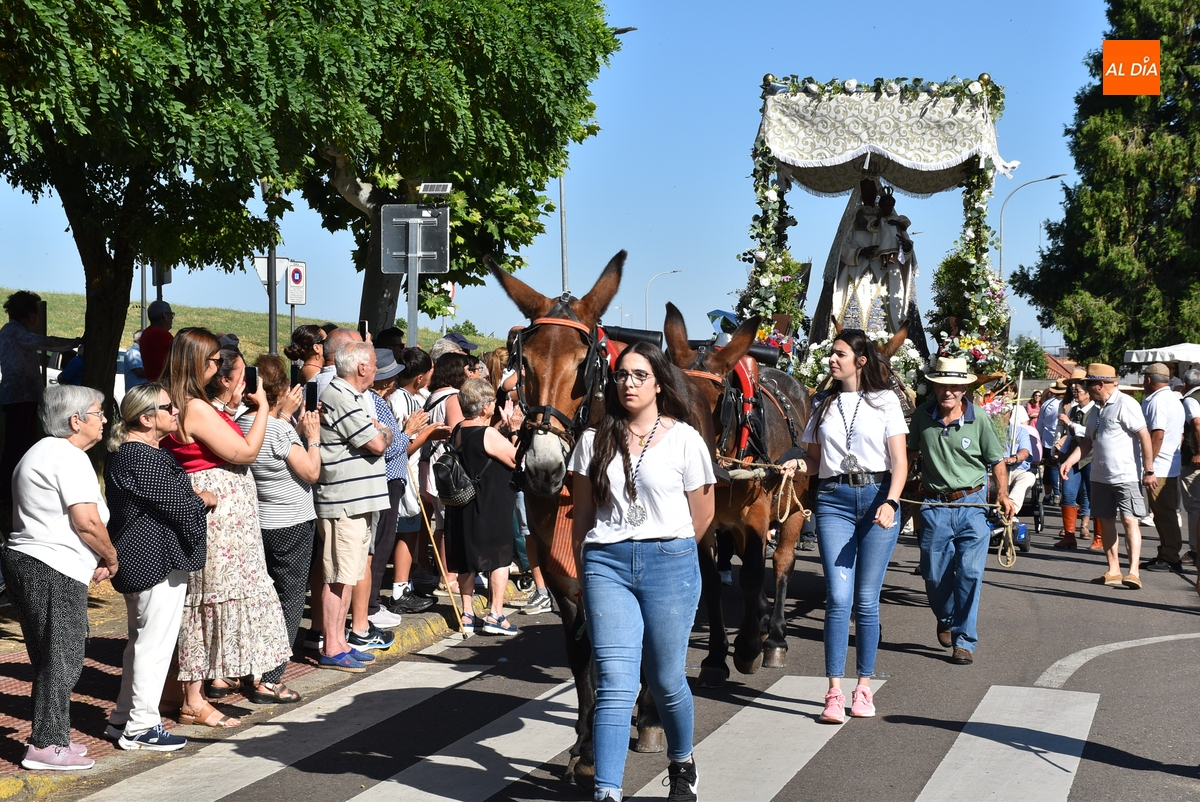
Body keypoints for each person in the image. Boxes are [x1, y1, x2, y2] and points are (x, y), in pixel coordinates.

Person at [568, 342, 715, 802]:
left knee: (667, 679)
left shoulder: (685, 439)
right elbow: (583, 516)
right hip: (606, 565)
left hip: (669, 562)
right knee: (615, 685)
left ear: (659, 384)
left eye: (639, 375)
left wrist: (667, 549)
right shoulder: (592, 441)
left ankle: (682, 763)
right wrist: (587, 571)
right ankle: (607, 792)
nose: (628, 383)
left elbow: (703, 513)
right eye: (621, 375)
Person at [159, 332, 292, 725]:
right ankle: (193, 699)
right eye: (215, 361)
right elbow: (245, 451)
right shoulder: (194, 406)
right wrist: (264, 408)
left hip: (223, 515)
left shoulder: (185, 401)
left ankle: (177, 693)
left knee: (202, 600)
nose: (219, 368)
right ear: (198, 362)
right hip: (218, 521)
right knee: (206, 599)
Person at [782, 329, 907, 725]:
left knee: (866, 600)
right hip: (833, 500)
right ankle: (834, 692)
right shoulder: (822, 405)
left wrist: (891, 501)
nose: (832, 360)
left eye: (840, 354)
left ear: (860, 360)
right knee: (838, 597)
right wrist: (797, 464)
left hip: (877, 498)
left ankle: (863, 687)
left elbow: (900, 462)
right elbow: (814, 462)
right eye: (832, 354)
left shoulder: (885, 401)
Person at [3, 384, 118, 771]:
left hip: (31, 562)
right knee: (63, 658)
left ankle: (54, 737)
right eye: (99, 412)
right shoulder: (68, 457)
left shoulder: (42, 452)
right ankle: (47, 745)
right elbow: (86, 522)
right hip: (51, 567)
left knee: (49, 657)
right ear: (76, 421)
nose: (105, 419)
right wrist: (110, 555)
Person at [103, 383, 213, 751]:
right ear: (147, 418)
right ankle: (142, 725)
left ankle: (123, 718)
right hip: (154, 559)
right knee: (154, 645)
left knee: (141, 642)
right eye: (168, 407)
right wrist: (204, 499)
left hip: (145, 556)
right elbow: (179, 505)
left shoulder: (135, 454)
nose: (176, 411)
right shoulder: (141, 456)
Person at [908, 356, 1016, 666]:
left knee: (970, 572)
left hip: (972, 504)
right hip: (934, 506)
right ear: (934, 387)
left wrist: (1003, 495)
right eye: (942, 385)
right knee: (933, 573)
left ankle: (964, 640)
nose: (948, 392)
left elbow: (996, 461)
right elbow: (909, 453)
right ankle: (946, 617)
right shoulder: (921, 416)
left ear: (964, 389)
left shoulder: (978, 418)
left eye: (955, 387)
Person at [235, 355, 322, 702]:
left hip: (258, 522)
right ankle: (271, 679)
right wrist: (313, 438)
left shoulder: (241, 423)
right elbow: (310, 472)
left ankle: (241, 671)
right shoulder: (279, 430)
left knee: (257, 598)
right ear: (282, 390)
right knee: (289, 599)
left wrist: (286, 419)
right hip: (292, 522)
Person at [314, 342, 393, 672]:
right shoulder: (341, 396)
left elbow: (378, 438)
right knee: (338, 576)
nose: (376, 369)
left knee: (347, 575)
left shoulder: (353, 396)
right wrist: (383, 431)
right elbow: (376, 442)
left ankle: (341, 642)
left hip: (356, 501)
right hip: (343, 503)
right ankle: (332, 646)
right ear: (361, 367)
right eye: (374, 363)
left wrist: (381, 432)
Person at [1058, 363, 1157, 589]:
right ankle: (1113, 570)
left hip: (1126, 475)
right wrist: (1070, 461)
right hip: (1100, 476)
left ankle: (1133, 572)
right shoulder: (1096, 409)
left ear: (1100, 384)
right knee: (1106, 521)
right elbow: (1088, 442)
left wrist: (1149, 470)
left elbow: (1144, 435)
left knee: (1130, 521)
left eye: (1088, 384)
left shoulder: (1126, 404)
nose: (1085, 388)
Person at [360, 348, 437, 632]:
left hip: (393, 479)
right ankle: (370, 606)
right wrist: (411, 431)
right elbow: (391, 448)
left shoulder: (379, 400)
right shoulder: (380, 402)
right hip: (388, 478)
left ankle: (371, 604)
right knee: (379, 546)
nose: (394, 380)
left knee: (381, 544)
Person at [445, 378, 524, 636]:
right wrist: (515, 430)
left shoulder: (459, 429)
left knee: (467, 557)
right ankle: (495, 614)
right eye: (490, 401)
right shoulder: (487, 434)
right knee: (499, 556)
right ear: (482, 407)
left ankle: (467, 613)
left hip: (464, 503)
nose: (493, 404)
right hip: (491, 503)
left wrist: (500, 426)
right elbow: (516, 460)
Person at [0, 291, 80, 506]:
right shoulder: (16, 332)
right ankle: (11, 492)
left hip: (20, 397)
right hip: (21, 397)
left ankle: (13, 491)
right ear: (30, 314)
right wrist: (74, 342)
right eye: (35, 311)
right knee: (19, 447)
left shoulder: (9, 331)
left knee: (19, 444)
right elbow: (46, 342)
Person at [387, 347, 440, 611]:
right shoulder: (401, 400)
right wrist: (428, 433)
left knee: (408, 531)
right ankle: (400, 589)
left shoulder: (406, 397)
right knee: (406, 532)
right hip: (404, 473)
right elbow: (402, 445)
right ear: (420, 378)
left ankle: (404, 584)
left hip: (408, 472)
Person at [421, 352, 473, 594]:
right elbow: (457, 432)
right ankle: (449, 575)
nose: (469, 374)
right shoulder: (452, 397)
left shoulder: (432, 396)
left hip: (432, 464)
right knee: (450, 523)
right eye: (466, 369)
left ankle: (443, 573)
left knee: (442, 523)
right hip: (448, 467)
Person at [1139, 363, 1185, 572]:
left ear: (1149, 380)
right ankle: (1166, 552)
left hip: (1160, 466)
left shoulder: (1158, 401)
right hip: (1167, 463)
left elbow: (1157, 434)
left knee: (1164, 514)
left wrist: (1148, 466)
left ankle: (1170, 556)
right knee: (1163, 513)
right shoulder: (1173, 398)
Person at [1054, 375, 1097, 550]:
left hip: (1091, 456)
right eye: (1073, 391)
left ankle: (1098, 537)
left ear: (1088, 393)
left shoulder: (1095, 410)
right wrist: (1060, 452)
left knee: (1092, 495)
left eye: (1078, 390)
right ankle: (1069, 536)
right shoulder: (1072, 410)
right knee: (1068, 493)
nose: (1075, 393)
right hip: (1073, 455)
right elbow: (1070, 435)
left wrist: (1070, 423)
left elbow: (1089, 433)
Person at [1180, 369, 1200, 570]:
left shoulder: (1191, 400)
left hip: (1194, 460)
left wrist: (1198, 452)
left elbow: (1196, 423)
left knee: (1194, 505)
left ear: (1185, 384)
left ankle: (1195, 550)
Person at [313, 327, 362, 400]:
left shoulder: (311, 383)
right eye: (361, 349)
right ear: (345, 353)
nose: (365, 354)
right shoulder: (350, 384)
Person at [1001, 419, 1036, 517]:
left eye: (1003, 412)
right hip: (990, 471)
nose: (999, 415)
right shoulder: (985, 429)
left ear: (1009, 413)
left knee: (1028, 477)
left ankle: (1009, 511)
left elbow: (1025, 452)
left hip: (1014, 470)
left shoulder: (1020, 431)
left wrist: (1014, 458)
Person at [139, 300, 175, 382]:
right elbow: (179, 358)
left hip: (152, 382)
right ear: (165, 316)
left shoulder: (146, 333)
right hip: (165, 382)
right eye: (171, 315)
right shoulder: (163, 335)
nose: (172, 318)